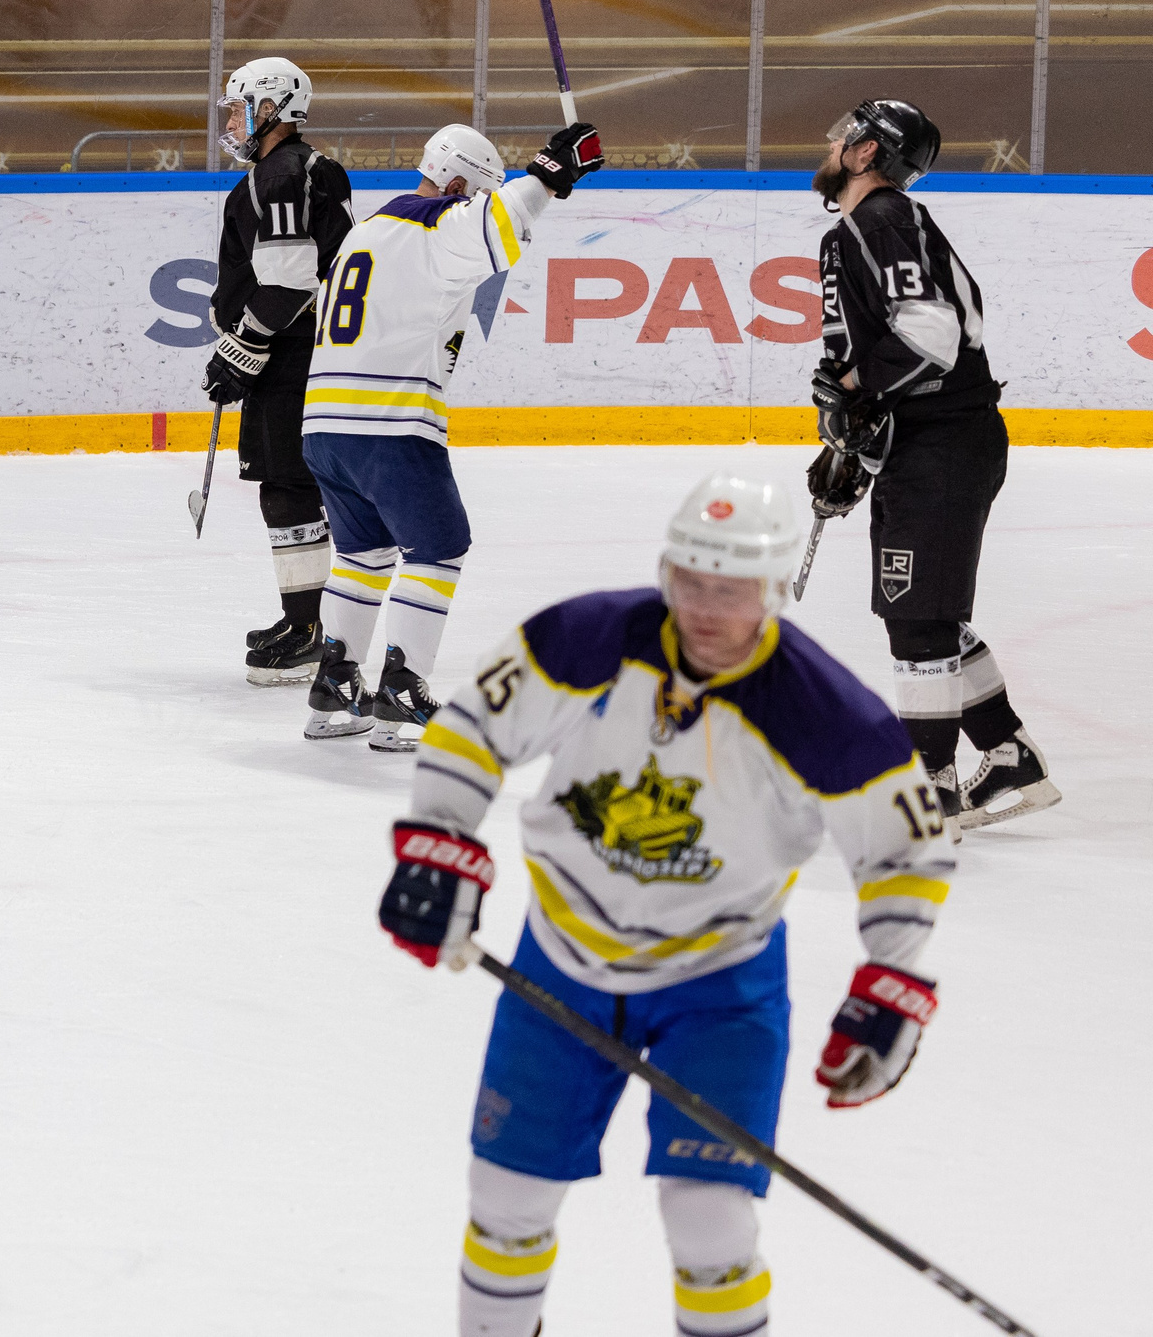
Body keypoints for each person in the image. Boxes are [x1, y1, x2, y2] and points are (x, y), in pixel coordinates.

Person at [379, 471, 955, 1337]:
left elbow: (906, 850)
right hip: (562, 958)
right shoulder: (587, 640)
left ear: (775, 588)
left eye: (732, 590)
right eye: (691, 581)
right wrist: (440, 839)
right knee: (506, 1201)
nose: (706, 609)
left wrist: (892, 982)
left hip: (720, 986)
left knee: (709, 1220)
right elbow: (471, 727)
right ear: (665, 569)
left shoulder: (828, 715)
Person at [299, 119, 603, 748]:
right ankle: (401, 693)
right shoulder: (433, 225)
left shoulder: (369, 230)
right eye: (471, 195)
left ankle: (335, 681)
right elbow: (497, 219)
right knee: (438, 548)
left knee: (364, 553)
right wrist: (552, 170)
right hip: (388, 423)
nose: (472, 207)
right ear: (457, 183)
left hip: (325, 427)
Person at [807, 99, 1059, 830]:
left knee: (918, 622)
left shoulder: (882, 219)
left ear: (865, 155)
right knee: (928, 618)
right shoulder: (866, 225)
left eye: (843, 136)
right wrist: (849, 437)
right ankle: (1009, 756)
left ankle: (930, 790)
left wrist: (853, 392)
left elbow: (931, 336)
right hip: (931, 443)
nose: (830, 141)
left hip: (943, 444)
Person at [202, 57, 355, 686]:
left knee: (288, 488)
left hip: (293, 356)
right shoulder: (299, 171)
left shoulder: (283, 173)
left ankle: (308, 629)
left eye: (241, 108)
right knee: (296, 488)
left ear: (271, 108)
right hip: (305, 352)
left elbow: (292, 280)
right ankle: (311, 622)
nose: (234, 121)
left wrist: (242, 349)